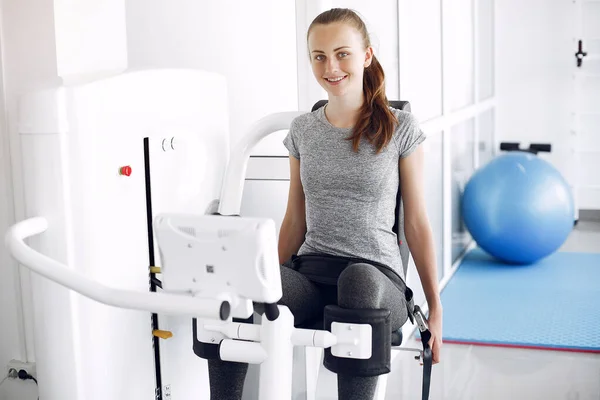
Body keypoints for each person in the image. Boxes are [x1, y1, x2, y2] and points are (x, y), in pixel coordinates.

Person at [208, 8, 442, 400]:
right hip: (312, 274)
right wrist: (266, 280)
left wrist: (435, 308)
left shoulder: (401, 129)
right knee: (238, 283)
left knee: (358, 279)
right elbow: (294, 221)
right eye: (319, 56)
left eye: (342, 53)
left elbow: (416, 223)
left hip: (377, 280)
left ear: (366, 55)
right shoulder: (303, 131)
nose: (330, 66)